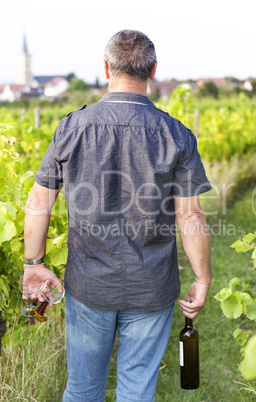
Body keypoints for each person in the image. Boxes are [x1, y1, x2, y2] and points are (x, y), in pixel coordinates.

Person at [23, 30, 212, 401]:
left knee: (82, 389)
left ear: (106, 68)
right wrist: (202, 277)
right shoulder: (178, 135)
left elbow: (39, 200)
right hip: (152, 286)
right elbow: (190, 215)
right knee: (137, 389)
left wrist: (34, 263)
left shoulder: (71, 128)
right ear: (153, 69)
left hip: (89, 284)